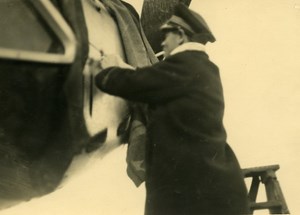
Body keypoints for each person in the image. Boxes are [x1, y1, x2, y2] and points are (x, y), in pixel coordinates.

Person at [95, 3, 249, 215]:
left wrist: (109, 70)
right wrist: (127, 69)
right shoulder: (200, 68)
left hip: (196, 197)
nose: (163, 42)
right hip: (210, 192)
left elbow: (136, 83)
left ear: (180, 35)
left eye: (166, 36)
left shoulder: (184, 65)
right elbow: (154, 82)